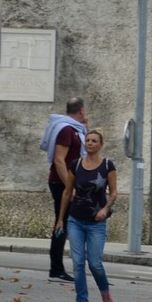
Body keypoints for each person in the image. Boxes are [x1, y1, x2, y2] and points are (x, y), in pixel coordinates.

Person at [54, 128, 117, 302]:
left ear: (101, 145)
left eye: (94, 141)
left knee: (95, 263)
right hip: (75, 220)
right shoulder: (76, 164)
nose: (90, 143)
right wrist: (60, 219)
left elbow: (114, 192)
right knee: (78, 263)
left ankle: (105, 294)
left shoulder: (107, 165)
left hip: (97, 223)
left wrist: (105, 209)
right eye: (88, 140)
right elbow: (67, 192)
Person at [40, 97, 87, 282]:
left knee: (66, 223)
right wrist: (69, 186)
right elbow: (59, 160)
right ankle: (56, 269)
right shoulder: (66, 129)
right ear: (81, 110)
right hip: (61, 183)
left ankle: (59, 268)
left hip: (68, 183)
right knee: (62, 223)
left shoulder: (75, 129)